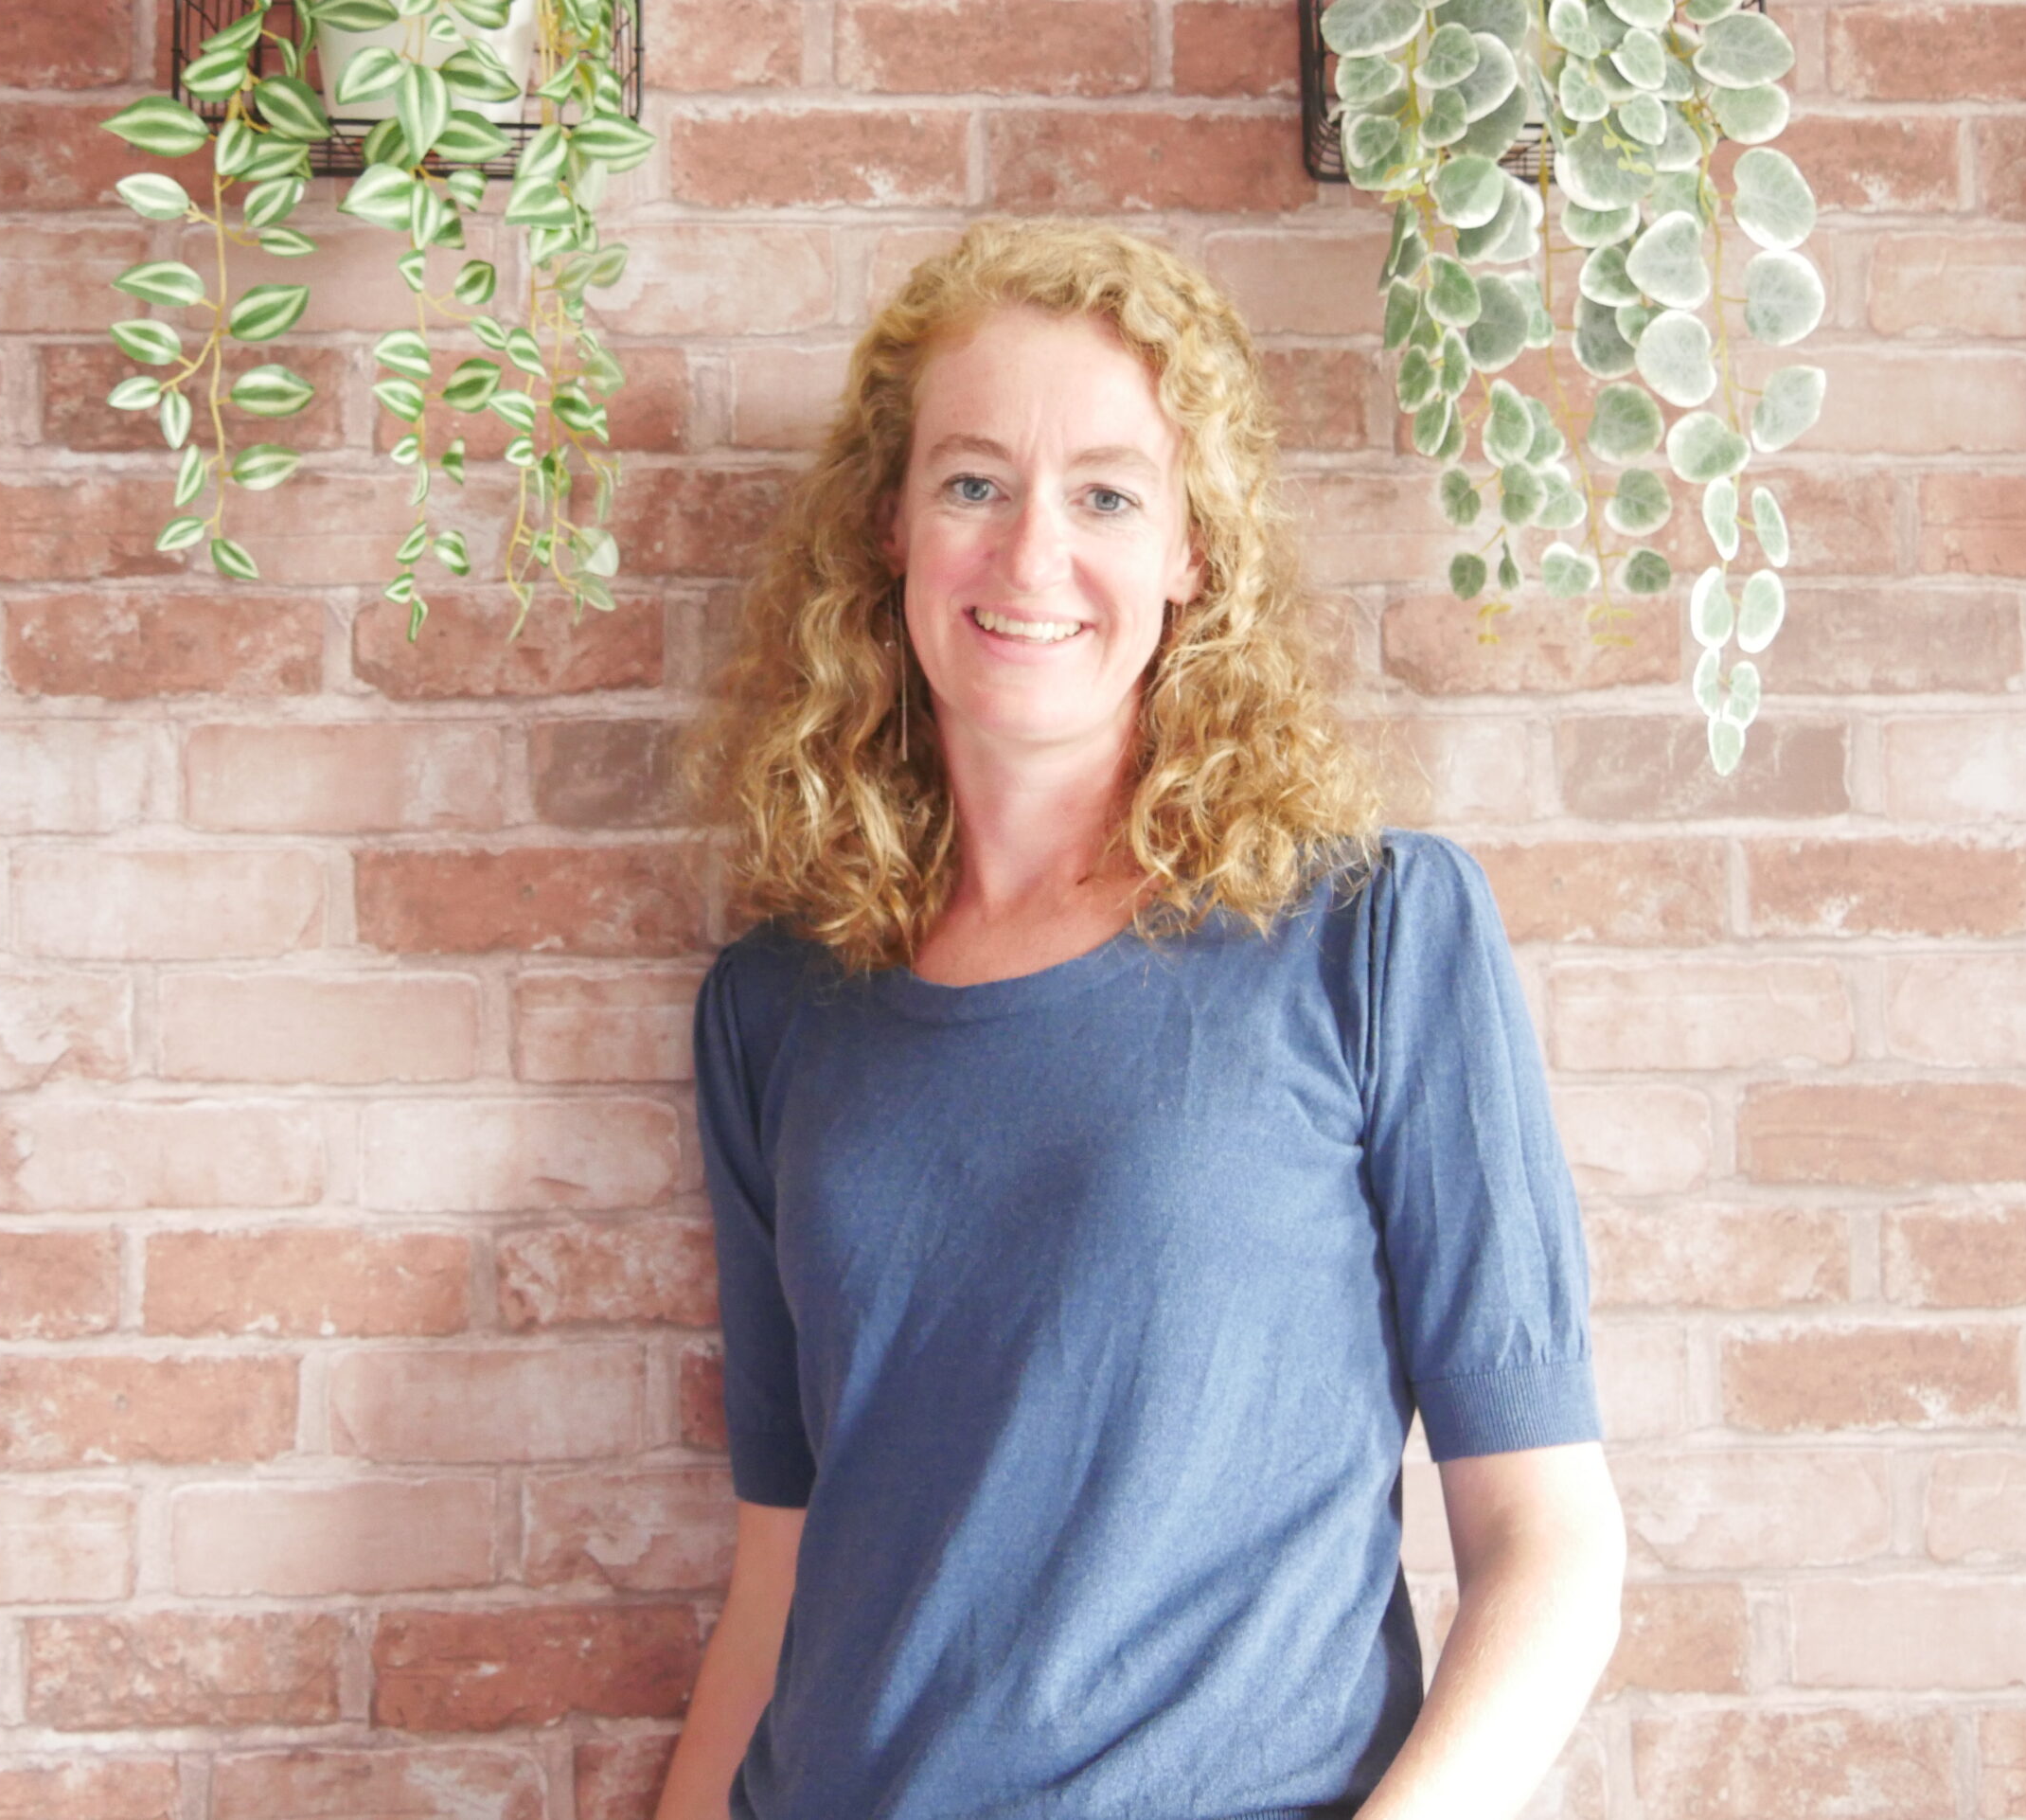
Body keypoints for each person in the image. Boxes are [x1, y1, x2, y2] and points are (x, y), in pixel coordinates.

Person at [661, 217, 1625, 1820]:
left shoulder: (1372, 934)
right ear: (891, 526)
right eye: (974, 483)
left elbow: (1551, 1546)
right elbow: (783, 1562)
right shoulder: (775, 1007)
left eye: (1107, 495)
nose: (1032, 555)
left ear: (1194, 551)